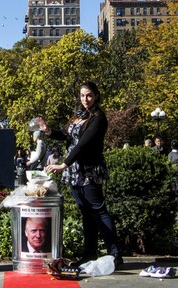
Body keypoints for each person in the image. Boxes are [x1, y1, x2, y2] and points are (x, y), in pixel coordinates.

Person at [39, 81, 122, 269]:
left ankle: (115, 254)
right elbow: (66, 135)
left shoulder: (99, 118)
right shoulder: (78, 115)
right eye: (83, 95)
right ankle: (89, 253)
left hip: (89, 171)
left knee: (99, 211)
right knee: (86, 213)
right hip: (74, 172)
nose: (85, 99)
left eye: (89, 95)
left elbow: (82, 144)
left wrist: (64, 164)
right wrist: (47, 130)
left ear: (96, 96)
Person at [167, 140, 178, 209]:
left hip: (171, 173)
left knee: (172, 188)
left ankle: (172, 203)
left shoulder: (169, 154)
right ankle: (177, 204)